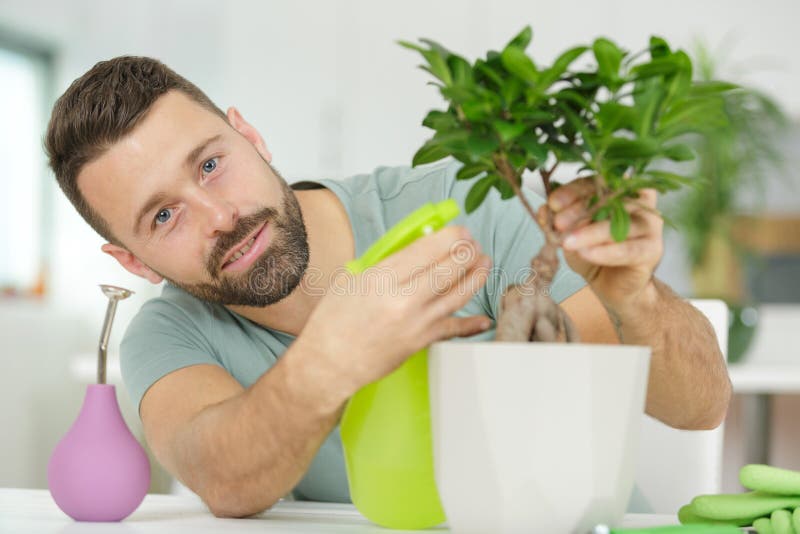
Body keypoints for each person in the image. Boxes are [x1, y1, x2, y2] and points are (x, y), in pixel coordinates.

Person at [45, 56, 731, 518]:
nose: (219, 217)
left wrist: (637, 301)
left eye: (210, 165)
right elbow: (221, 477)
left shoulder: (470, 204)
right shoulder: (167, 336)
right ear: (133, 262)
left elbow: (701, 406)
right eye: (164, 217)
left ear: (249, 136)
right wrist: (333, 356)